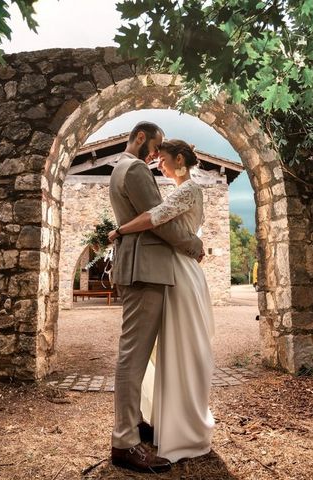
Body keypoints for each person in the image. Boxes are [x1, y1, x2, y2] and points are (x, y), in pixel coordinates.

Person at [109, 139, 215, 464]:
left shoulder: (188, 190)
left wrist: (120, 230)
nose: (159, 164)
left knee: (184, 347)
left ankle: (184, 424)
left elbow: (155, 217)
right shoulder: (181, 189)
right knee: (169, 349)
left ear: (179, 158)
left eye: (164, 158)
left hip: (180, 272)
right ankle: (168, 421)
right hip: (175, 270)